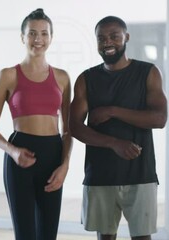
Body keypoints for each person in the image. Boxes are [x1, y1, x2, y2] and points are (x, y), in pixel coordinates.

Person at [70, 16, 167, 240]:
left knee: (142, 238)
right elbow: (75, 127)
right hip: (100, 175)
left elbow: (160, 119)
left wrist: (112, 111)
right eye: (101, 38)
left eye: (114, 36)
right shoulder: (86, 79)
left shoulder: (148, 73)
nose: (107, 42)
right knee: (105, 237)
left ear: (126, 37)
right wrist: (113, 143)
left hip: (140, 174)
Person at [0, 8, 72, 240]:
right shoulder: (8, 75)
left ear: (51, 38)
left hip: (53, 156)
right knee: (25, 234)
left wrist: (65, 166)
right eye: (32, 33)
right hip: (19, 157)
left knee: (48, 234)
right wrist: (12, 151)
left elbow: (68, 130)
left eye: (44, 34)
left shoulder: (63, 77)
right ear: (22, 37)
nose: (38, 40)